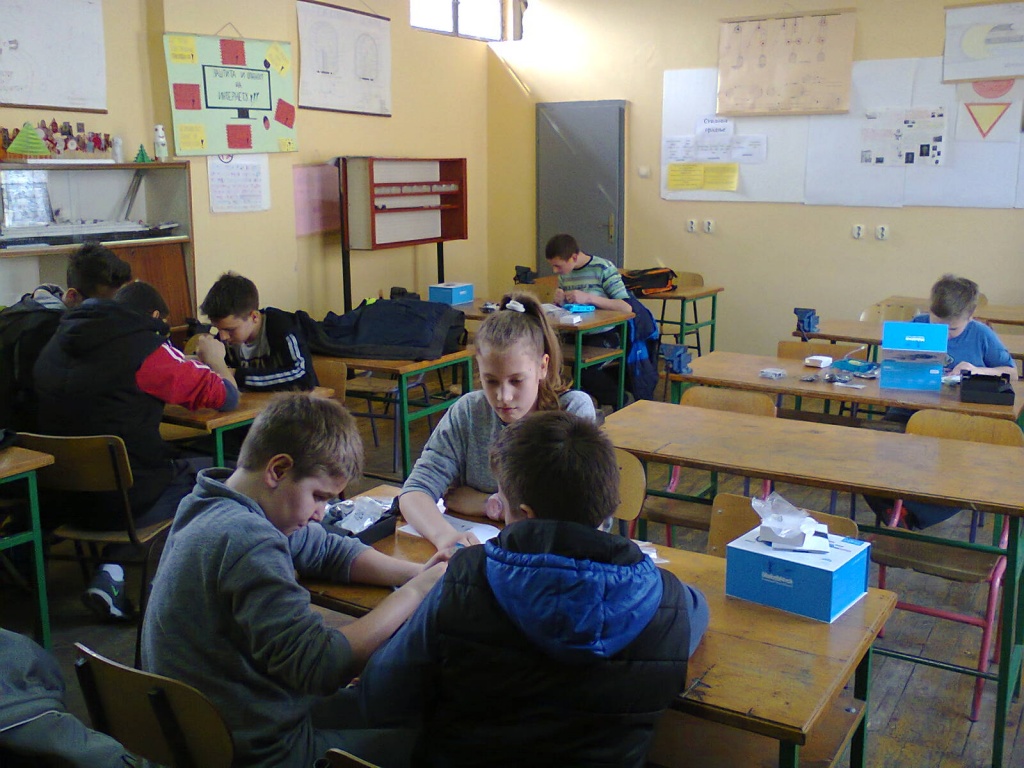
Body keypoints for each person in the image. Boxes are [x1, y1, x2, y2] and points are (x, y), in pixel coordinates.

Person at [353, 410, 710, 768]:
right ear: (607, 508)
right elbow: (696, 608)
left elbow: (380, 701)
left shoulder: (464, 579)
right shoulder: (668, 602)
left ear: (525, 514)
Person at [142, 394, 449, 768]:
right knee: (434, 743)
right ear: (278, 470)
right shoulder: (246, 540)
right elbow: (321, 665)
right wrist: (416, 592)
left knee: (395, 702)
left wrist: (415, 572)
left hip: (221, 722)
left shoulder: (211, 502)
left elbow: (325, 549)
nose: (321, 514)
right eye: (318, 496)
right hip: (253, 750)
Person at [33, 280, 238, 620]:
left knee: (154, 467)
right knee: (224, 471)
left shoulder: (56, 341)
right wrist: (216, 359)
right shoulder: (147, 348)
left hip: (59, 501)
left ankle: (111, 573)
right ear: (154, 317)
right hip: (126, 501)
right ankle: (176, 586)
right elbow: (228, 398)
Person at [399, 292, 596, 550]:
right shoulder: (468, 411)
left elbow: (574, 517)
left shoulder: (571, 412)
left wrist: (486, 503)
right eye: (490, 381)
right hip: (483, 548)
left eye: (516, 381)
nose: (503, 396)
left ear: (542, 367)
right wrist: (445, 537)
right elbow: (414, 492)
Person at [866, 274, 1016, 529]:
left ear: (971, 316)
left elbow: (1011, 372)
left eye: (953, 329)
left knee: (961, 463)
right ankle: (897, 507)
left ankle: (912, 512)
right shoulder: (918, 325)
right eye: (937, 325)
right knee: (868, 450)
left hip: (959, 420)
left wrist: (976, 370)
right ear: (930, 310)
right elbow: (894, 364)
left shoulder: (981, 334)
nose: (944, 335)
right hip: (910, 411)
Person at [0, 242, 131, 431]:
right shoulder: (50, 330)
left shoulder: (31, 308)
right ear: (72, 296)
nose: (110, 315)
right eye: (101, 306)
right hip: (28, 433)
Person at [199, 271, 317, 391]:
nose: (223, 336)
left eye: (230, 330)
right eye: (218, 329)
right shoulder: (224, 339)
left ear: (254, 317)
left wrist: (236, 375)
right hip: (254, 401)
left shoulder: (281, 327)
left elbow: (304, 377)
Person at [544, 232, 631, 313]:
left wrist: (589, 298)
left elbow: (626, 308)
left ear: (574, 258)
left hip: (603, 323)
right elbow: (566, 307)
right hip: (575, 322)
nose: (554, 270)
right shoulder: (564, 274)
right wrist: (560, 302)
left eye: (558, 266)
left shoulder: (603, 268)